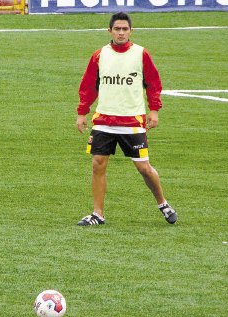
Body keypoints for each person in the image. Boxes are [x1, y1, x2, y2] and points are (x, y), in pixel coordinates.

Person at [76, 12, 177, 226]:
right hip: (103, 121)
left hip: (132, 122)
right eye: (117, 29)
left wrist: (154, 110)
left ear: (131, 31)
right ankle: (98, 214)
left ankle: (163, 203)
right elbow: (88, 86)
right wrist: (82, 112)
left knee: (144, 168)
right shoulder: (99, 55)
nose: (121, 32)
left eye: (124, 29)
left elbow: (153, 83)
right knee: (97, 164)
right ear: (109, 31)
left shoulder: (141, 54)